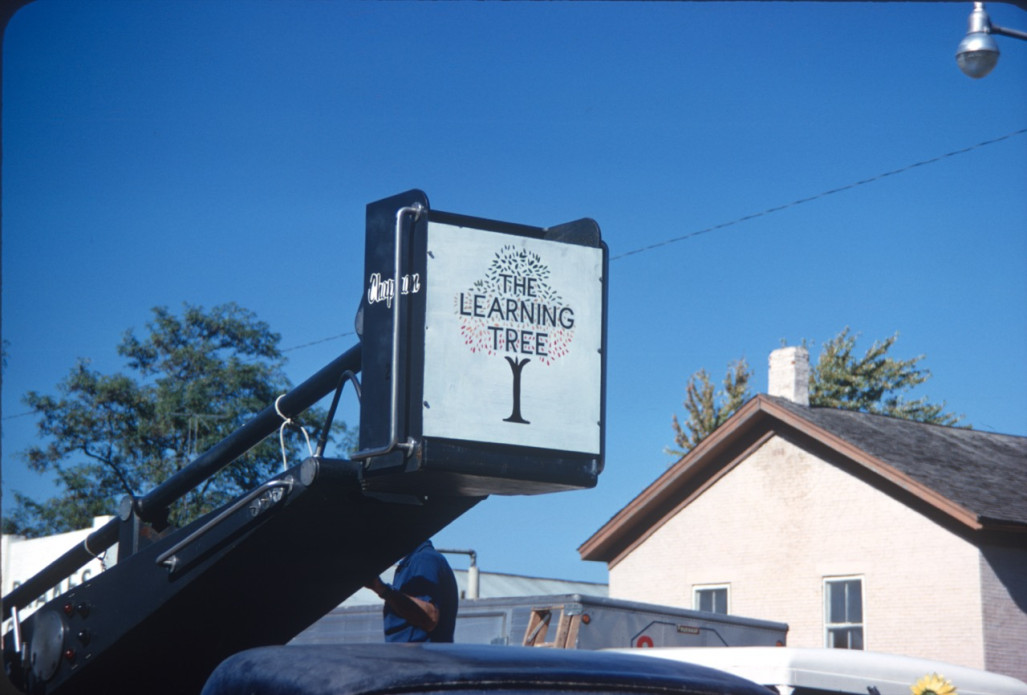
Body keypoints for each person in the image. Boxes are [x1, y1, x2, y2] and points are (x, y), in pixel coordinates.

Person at [366, 539, 458, 643]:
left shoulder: (423, 560)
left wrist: (382, 589)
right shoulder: (414, 562)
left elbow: (430, 617)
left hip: (418, 656)